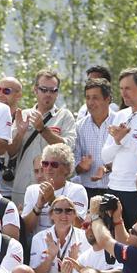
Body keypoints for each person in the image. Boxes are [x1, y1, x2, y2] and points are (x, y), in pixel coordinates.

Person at [7, 69, 78, 206]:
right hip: (23, 187)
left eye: (53, 90)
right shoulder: (23, 114)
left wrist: (42, 129)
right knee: (24, 225)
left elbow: (67, 147)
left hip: (53, 189)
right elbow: (11, 152)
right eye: (44, 89)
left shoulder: (64, 116)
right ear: (35, 90)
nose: (48, 94)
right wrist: (20, 133)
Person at [103, 68, 137, 222]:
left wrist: (124, 139)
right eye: (121, 88)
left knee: (136, 241)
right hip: (114, 187)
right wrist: (118, 141)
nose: (123, 93)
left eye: (128, 88)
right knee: (113, 242)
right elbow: (105, 157)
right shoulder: (120, 115)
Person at [21, 144, 89, 241]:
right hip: (40, 245)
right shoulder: (32, 190)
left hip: (68, 245)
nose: (48, 168)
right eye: (45, 164)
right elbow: (26, 229)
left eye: (54, 165)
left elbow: (79, 226)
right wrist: (38, 206)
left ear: (67, 169)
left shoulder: (77, 190)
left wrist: (52, 200)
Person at [30, 194, 89, 273]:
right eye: (58, 210)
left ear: (75, 214)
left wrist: (75, 266)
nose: (64, 215)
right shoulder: (39, 238)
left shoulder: (84, 238)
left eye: (68, 210)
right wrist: (49, 258)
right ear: (51, 215)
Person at [74, 78, 115, 197]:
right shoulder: (79, 127)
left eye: (95, 98)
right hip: (87, 191)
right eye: (88, 98)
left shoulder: (119, 123)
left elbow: (126, 158)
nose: (90, 102)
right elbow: (74, 164)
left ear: (108, 99)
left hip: (114, 189)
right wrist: (81, 167)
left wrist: (107, 168)